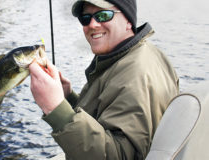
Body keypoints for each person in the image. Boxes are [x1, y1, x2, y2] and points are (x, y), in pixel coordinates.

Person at [29, 0, 179, 159]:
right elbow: (109, 115)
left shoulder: (135, 76)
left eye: (103, 15)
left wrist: (56, 108)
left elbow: (119, 155)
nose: (92, 24)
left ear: (128, 20)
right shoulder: (142, 54)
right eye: (86, 18)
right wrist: (67, 98)